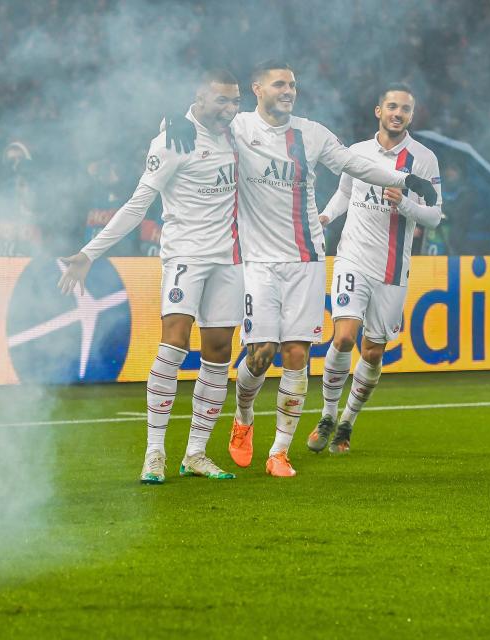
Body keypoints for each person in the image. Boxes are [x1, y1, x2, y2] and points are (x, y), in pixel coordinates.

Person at [166, 61, 437, 477]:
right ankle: (243, 417)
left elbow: (355, 165)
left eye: (292, 84)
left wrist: (401, 177)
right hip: (257, 261)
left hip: (307, 259)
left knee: (297, 354)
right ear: (258, 88)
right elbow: (205, 115)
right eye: (279, 84)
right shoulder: (238, 127)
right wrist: (178, 117)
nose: (288, 90)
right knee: (261, 354)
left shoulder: (312, 134)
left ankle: (279, 451)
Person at [58, 69, 244, 484]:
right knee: (174, 344)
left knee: (218, 352)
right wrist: (90, 253)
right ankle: (154, 452)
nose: (230, 109)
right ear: (200, 96)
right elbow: (138, 203)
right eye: (221, 101)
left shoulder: (236, 133)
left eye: (235, 102)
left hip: (230, 259)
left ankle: (195, 453)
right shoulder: (172, 141)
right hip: (185, 257)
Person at [309, 83, 443, 454]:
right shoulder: (357, 153)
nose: (398, 113)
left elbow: (434, 215)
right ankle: (327, 415)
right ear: (378, 111)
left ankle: (347, 423)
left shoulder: (424, 160)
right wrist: (325, 215)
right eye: (392, 106)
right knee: (343, 337)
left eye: (405, 108)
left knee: (371, 352)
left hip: (393, 270)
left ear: (411, 116)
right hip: (352, 256)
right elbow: (345, 193)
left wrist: (406, 206)